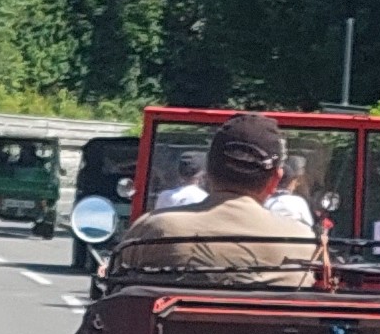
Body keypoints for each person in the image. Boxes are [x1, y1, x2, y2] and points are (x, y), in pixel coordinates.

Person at [109, 112, 317, 288]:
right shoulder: (301, 240)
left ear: (207, 172)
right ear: (275, 181)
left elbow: (117, 297)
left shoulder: (152, 230)